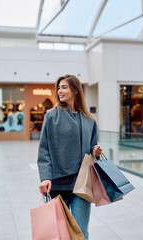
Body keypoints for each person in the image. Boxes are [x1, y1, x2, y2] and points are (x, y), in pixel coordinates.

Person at [37, 74, 102, 240]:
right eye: (58, 87)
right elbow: (44, 149)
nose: (60, 91)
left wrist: (96, 152)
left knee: (80, 233)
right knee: (59, 233)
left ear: (75, 90)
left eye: (64, 87)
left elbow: (91, 148)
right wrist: (45, 177)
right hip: (58, 183)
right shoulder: (51, 116)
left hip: (82, 184)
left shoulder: (89, 121)